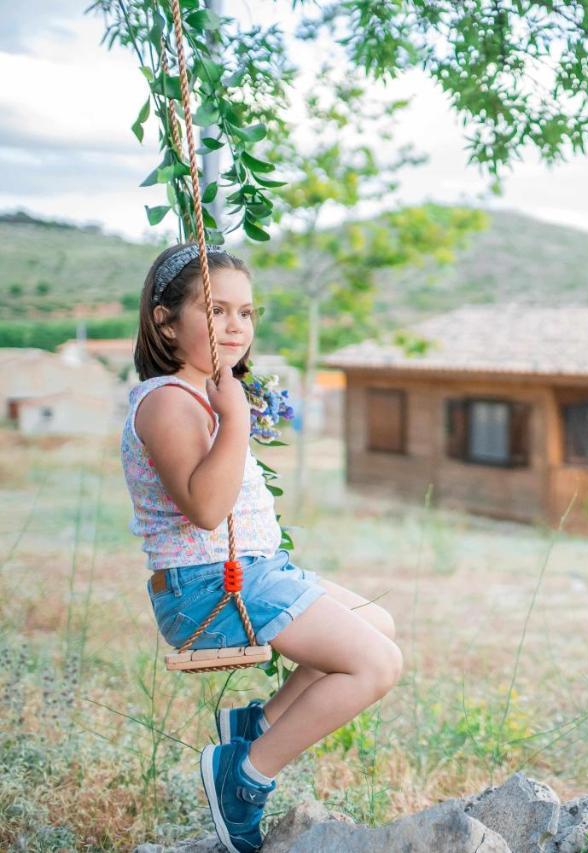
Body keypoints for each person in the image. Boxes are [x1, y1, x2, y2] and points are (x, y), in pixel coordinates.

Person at [120, 243, 402, 852]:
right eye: (216, 310)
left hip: (254, 572)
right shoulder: (168, 400)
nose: (235, 327)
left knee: (378, 624)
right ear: (165, 321)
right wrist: (237, 421)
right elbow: (205, 509)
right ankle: (245, 775)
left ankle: (256, 726)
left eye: (245, 313)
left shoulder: (205, 395)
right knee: (377, 665)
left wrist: (229, 411)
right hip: (207, 588)